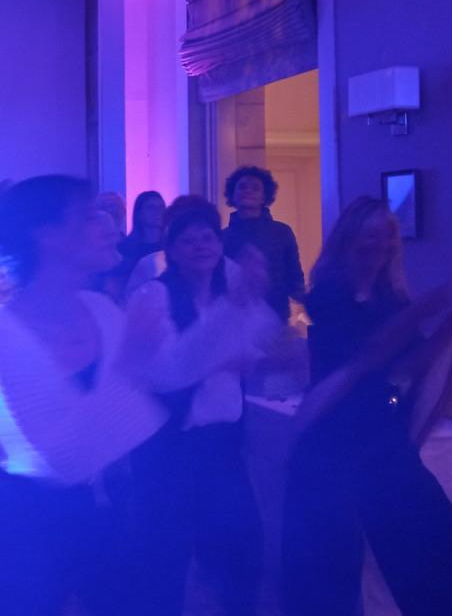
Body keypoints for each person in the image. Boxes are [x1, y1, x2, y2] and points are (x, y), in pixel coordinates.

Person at [0, 176, 168, 616]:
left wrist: (239, 310)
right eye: (89, 215)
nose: (109, 224)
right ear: (47, 235)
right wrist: (129, 368)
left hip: (110, 511)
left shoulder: (101, 309)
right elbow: (58, 462)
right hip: (33, 529)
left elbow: (162, 390)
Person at [282, 197, 452, 616]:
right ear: (348, 239)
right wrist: (436, 302)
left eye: (387, 235)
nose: (379, 244)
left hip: (379, 444)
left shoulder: (392, 300)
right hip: (331, 445)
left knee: (437, 552)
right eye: (370, 235)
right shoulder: (327, 298)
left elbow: (406, 366)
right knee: (327, 573)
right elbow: (367, 355)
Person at [126, 197, 281, 616]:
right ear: (171, 251)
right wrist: (230, 329)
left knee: (241, 553)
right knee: (166, 560)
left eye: (208, 238)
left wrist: (249, 336)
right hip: (171, 449)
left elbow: (264, 342)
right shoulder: (152, 295)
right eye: (189, 240)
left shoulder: (232, 292)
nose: (201, 246)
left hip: (223, 445)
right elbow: (171, 370)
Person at [222, 166, 305, 321]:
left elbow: (294, 277)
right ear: (233, 195)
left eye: (255, 188)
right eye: (242, 187)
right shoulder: (222, 237)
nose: (248, 191)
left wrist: (308, 306)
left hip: (275, 315)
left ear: (264, 197)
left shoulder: (282, 232)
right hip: (232, 317)